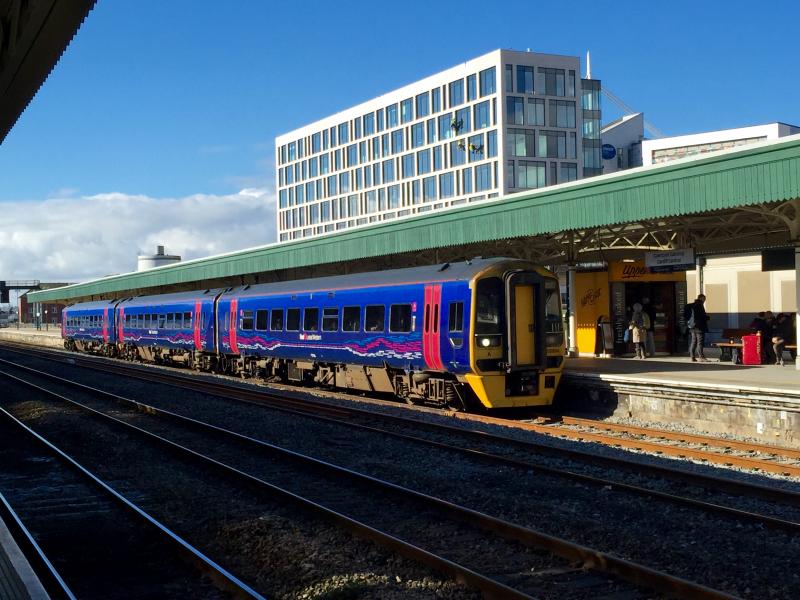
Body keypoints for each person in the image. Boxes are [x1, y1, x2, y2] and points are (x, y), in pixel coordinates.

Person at [686, 294, 709, 362]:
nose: (704, 300)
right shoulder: (699, 305)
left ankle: (692, 357)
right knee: (700, 342)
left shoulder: (693, 305)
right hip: (699, 327)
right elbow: (702, 316)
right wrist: (707, 317)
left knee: (693, 342)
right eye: (704, 299)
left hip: (692, 327)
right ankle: (701, 357)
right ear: (701, 298)